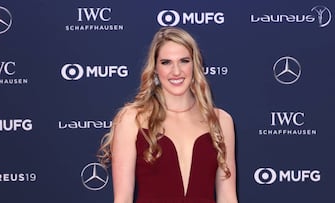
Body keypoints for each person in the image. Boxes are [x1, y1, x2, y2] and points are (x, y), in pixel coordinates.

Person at [98, 27, 238, 203]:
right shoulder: (131, 119)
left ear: (195, 64)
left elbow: (228, 198)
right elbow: (123, 199)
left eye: (184, 61)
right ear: (155, 68)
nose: (176, 71)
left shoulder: (221, 120)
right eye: (166, 62)